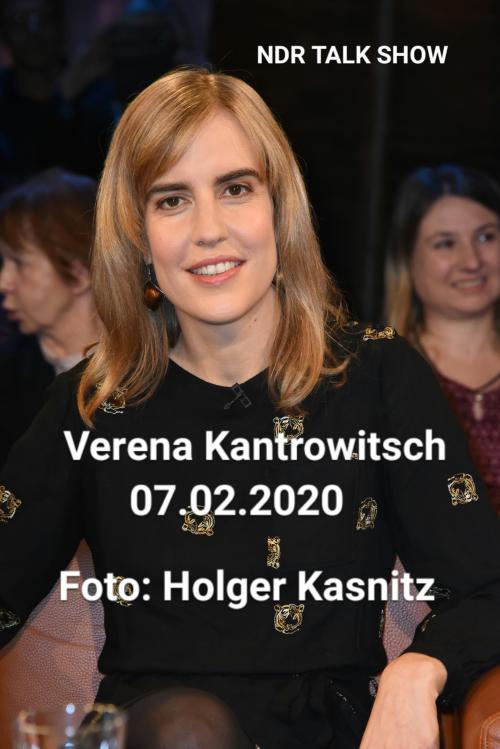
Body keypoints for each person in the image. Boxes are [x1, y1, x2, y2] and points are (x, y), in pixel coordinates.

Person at [1, 70, 500, 749]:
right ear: (139, 236)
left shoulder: (378, 378)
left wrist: (418, 670)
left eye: (235, 189)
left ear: (279, 210)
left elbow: (485, 587)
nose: (210, 230)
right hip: (159, 733)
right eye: (172, 200)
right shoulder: (92, 404)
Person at [385, 165, 500, 513]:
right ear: (407, 258)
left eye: (486, 237)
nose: (472, 261)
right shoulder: (373, 377)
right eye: (446, 244)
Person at [0, 167, 100, 465]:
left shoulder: (160, 371)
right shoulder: (10, 379)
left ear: (80, 274)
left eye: (20, 263)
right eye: (4, 263)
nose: (4, 283)